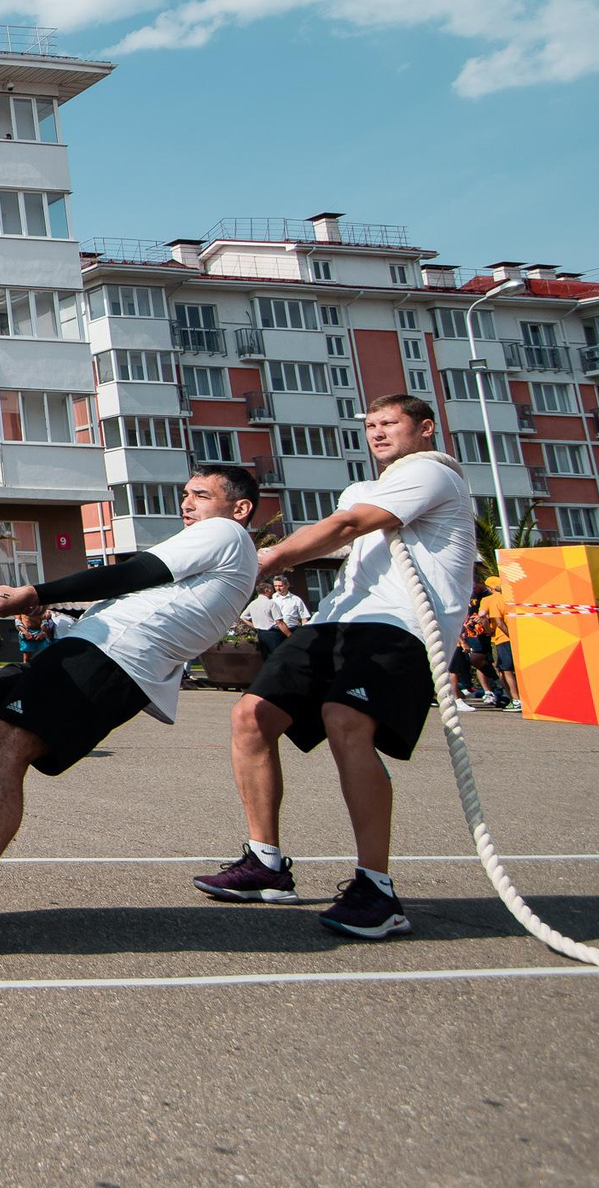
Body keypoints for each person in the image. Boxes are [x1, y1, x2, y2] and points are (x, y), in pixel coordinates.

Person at [0, 465, 262, 956]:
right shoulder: (215, 552)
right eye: (186, 494)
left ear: (239, 509)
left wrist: (34, 593)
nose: (187, 504)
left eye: (201, 495)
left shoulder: (227, 535)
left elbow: (137, 571)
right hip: (82, 648)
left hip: (113, 662)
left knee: (3, 740)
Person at [192, 395, 476, 940]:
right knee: (251, 716)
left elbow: (348, 525)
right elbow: (344, 530)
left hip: (400, 627)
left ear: (424, 428)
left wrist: (263, 560)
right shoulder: (364, 488)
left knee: (347, 723)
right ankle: (265, 864)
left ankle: (377, 888)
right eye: (370, 425)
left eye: (390, 423)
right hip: (334, 622)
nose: (377, 432)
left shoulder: (434, 476)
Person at [240, 574, 307, 661]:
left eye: (280, 586)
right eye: (275, 586)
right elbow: (278, 622)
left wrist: (302, 633)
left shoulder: (296, 600)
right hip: (276, 632)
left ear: (287, 585)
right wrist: (257, 626)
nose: (278, 588)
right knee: (277, 658)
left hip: (291, 629)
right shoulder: (271, 600)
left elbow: (304, 617)